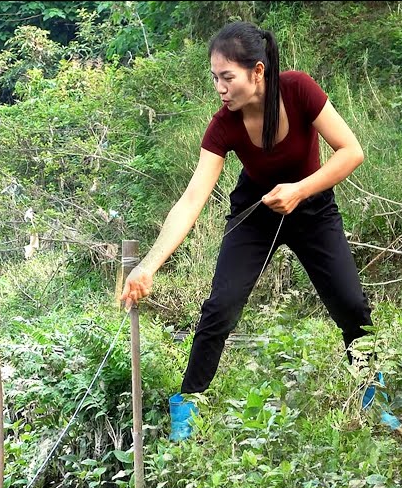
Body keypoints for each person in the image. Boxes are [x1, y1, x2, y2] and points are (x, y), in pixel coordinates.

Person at [117, 20, 384, 442]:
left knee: (351, 304)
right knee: (220, 307)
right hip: (255, 215)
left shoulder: (298, 90)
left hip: (312, 207)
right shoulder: (223, 124)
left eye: (227, 77)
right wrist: (149, 265)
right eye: (215, 79)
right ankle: (188, 404)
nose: (220, 88)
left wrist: (301, 189)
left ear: (257, 72)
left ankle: (374, 389)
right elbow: (192, 199)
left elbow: (351, 151)